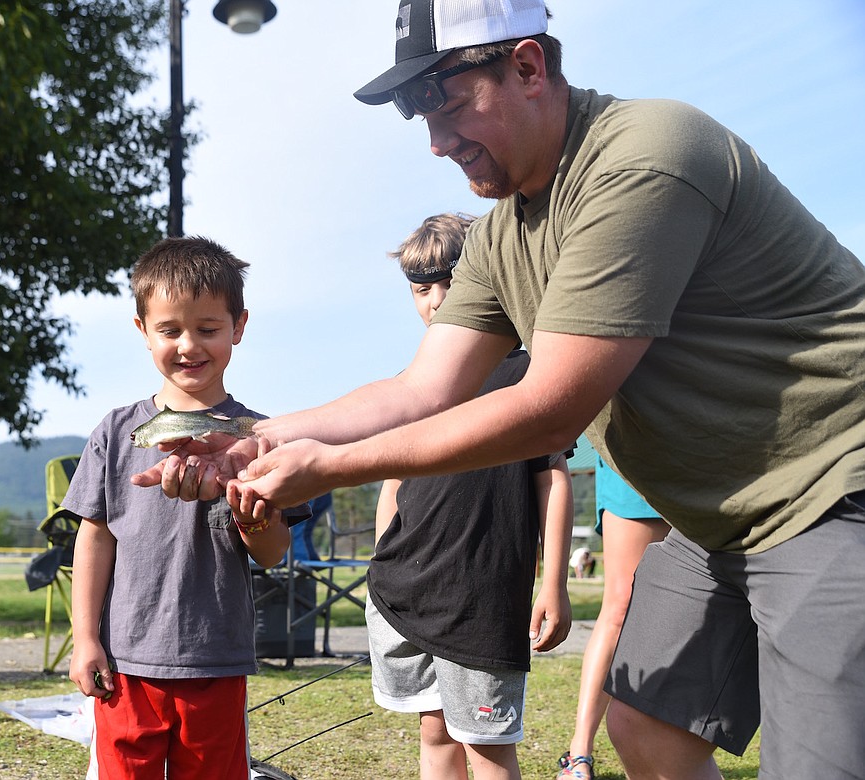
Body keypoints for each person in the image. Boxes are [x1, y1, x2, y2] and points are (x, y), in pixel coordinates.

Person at [132, 2, 865, 778]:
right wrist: (263, 441)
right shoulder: (503, 236)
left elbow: (549, 404)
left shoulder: (644, 157)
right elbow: (423, 387)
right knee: (648, 729)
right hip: (718, 517)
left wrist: (327, 467)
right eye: (418, 113)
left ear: (527, 66)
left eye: (446, 102)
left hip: (832, 482)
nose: (437, 141)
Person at [63, 236, 291, 780]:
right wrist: (85, 639)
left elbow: (273, 551)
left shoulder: (260, 436)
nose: (189, 345)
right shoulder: (118, 433)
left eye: (208, 329)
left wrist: (247, 505)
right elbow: (94, 538)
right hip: (125, 664)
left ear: (239, 327)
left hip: (216, 659)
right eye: (170, 330)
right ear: (143, 331)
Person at [368, 211, 574, 780]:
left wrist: (552, 582)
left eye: (450, 283)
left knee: (486, 743)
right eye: (420, 288)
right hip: (405, 587)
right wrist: (384, 550)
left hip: (484, 596)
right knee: (433, 730)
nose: (435, 300)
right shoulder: (415, 384)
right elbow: (394, 478)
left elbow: (550, 479)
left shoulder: (529, 375)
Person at [557, 457, 670, 780]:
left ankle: (684, 747)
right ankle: (580, 754)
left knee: (688, 614)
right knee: (621, 605)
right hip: (637, 457)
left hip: (706, 457)